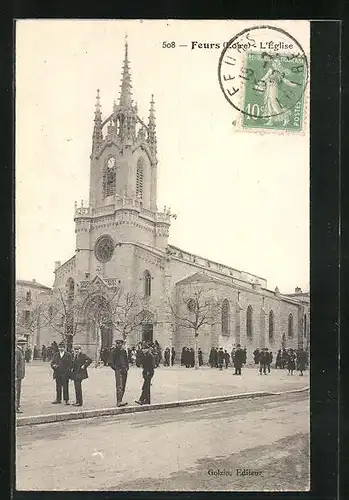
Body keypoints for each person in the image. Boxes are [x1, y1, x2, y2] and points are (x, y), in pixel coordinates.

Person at [108, 338, 129, 407]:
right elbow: (110, 362)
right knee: (119, 386)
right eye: (117, 343)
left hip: (124, 370)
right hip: (118, 370)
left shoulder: (124, 351)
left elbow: (126, 361)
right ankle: (119, 401)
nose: (118, 345)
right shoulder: (113, 351)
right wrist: (116, 369)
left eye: (120, 343)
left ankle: (121, 400)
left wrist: (127, 368)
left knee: (123, 385)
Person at [15, 336, 27, 413]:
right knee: (16, 391)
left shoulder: (20, 351)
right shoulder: (17, 351)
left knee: (18, 391)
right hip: (17, 376)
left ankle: (17, 405)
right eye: (25, 344)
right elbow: (15, 364)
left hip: (19, 376)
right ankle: (15, 407)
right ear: (22, 344)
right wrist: (15, 376)